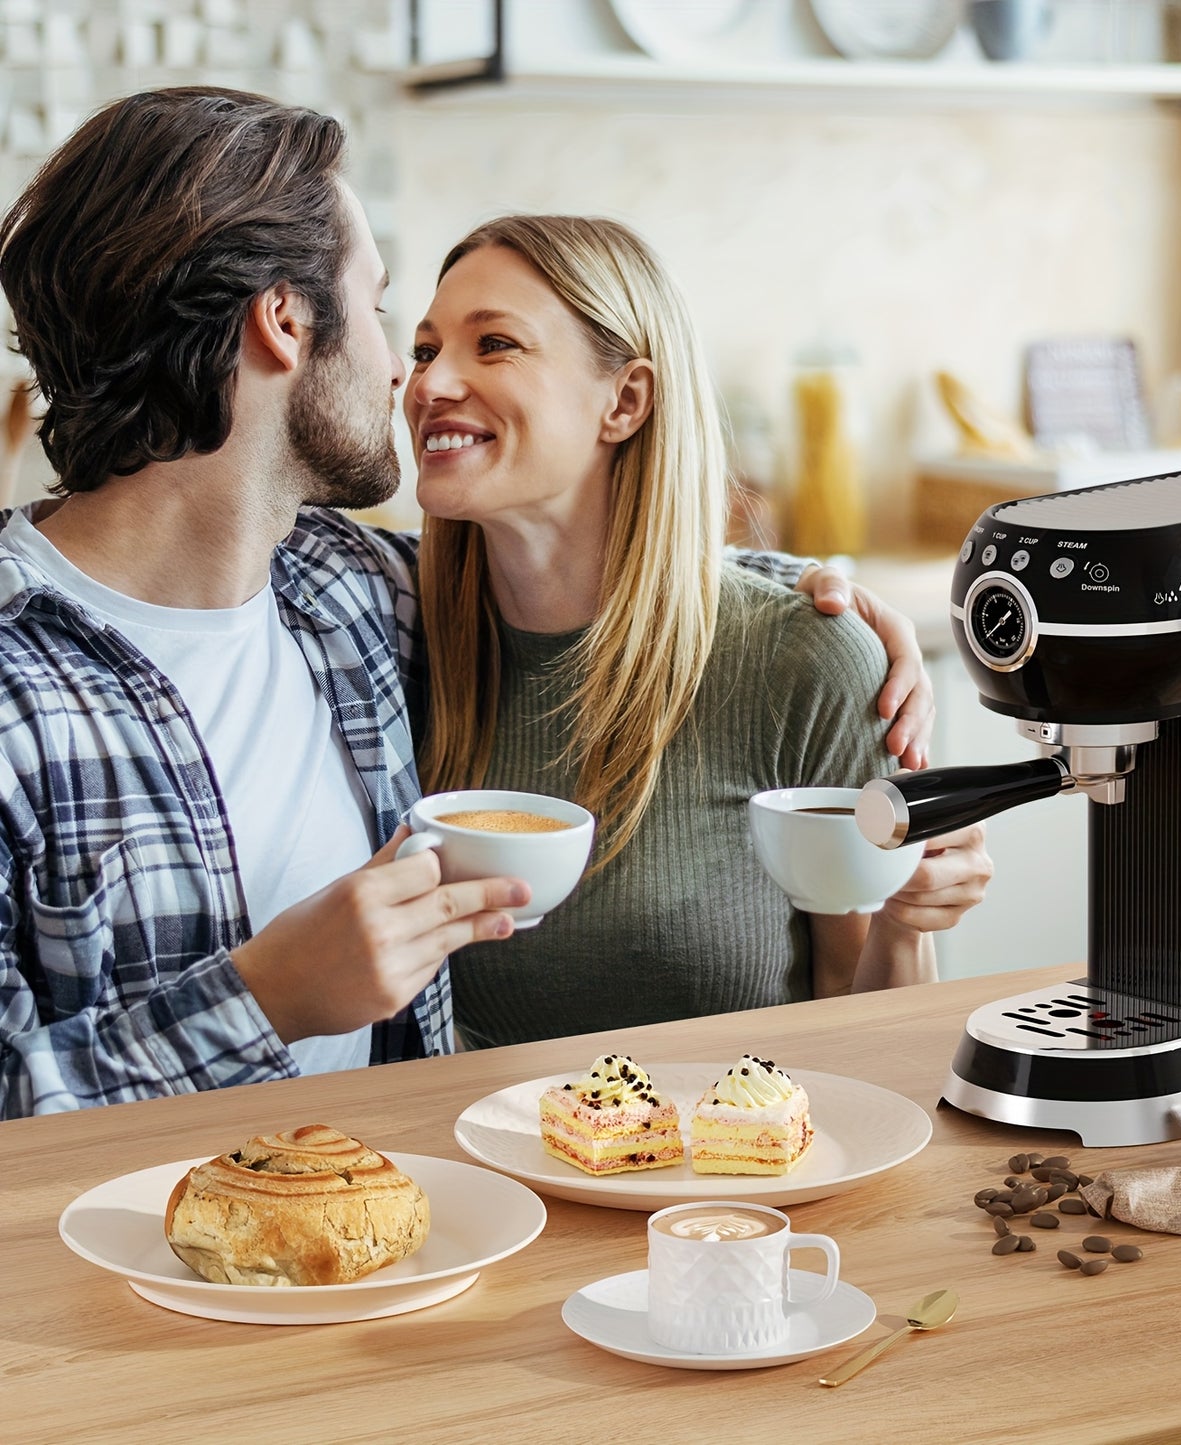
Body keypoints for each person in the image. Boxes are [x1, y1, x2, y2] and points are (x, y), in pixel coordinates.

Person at [0, 88, 934, 1117]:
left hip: (418, 1238)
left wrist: (826, 609)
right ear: (283, 320)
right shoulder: (24, 686)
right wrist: (265, 1000)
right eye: (384, 308)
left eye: (487, 344)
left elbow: (608, 579)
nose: (408, 371)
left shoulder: (350, 598)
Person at [403, 215, 993, 1050]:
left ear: (626, 401)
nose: (429, 384)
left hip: (737, 1170)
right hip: (489, 1161)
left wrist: (905, 918)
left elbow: (877, 1042)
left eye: (492, 344)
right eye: (425, 351)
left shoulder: (806, 659)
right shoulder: (386, 635)